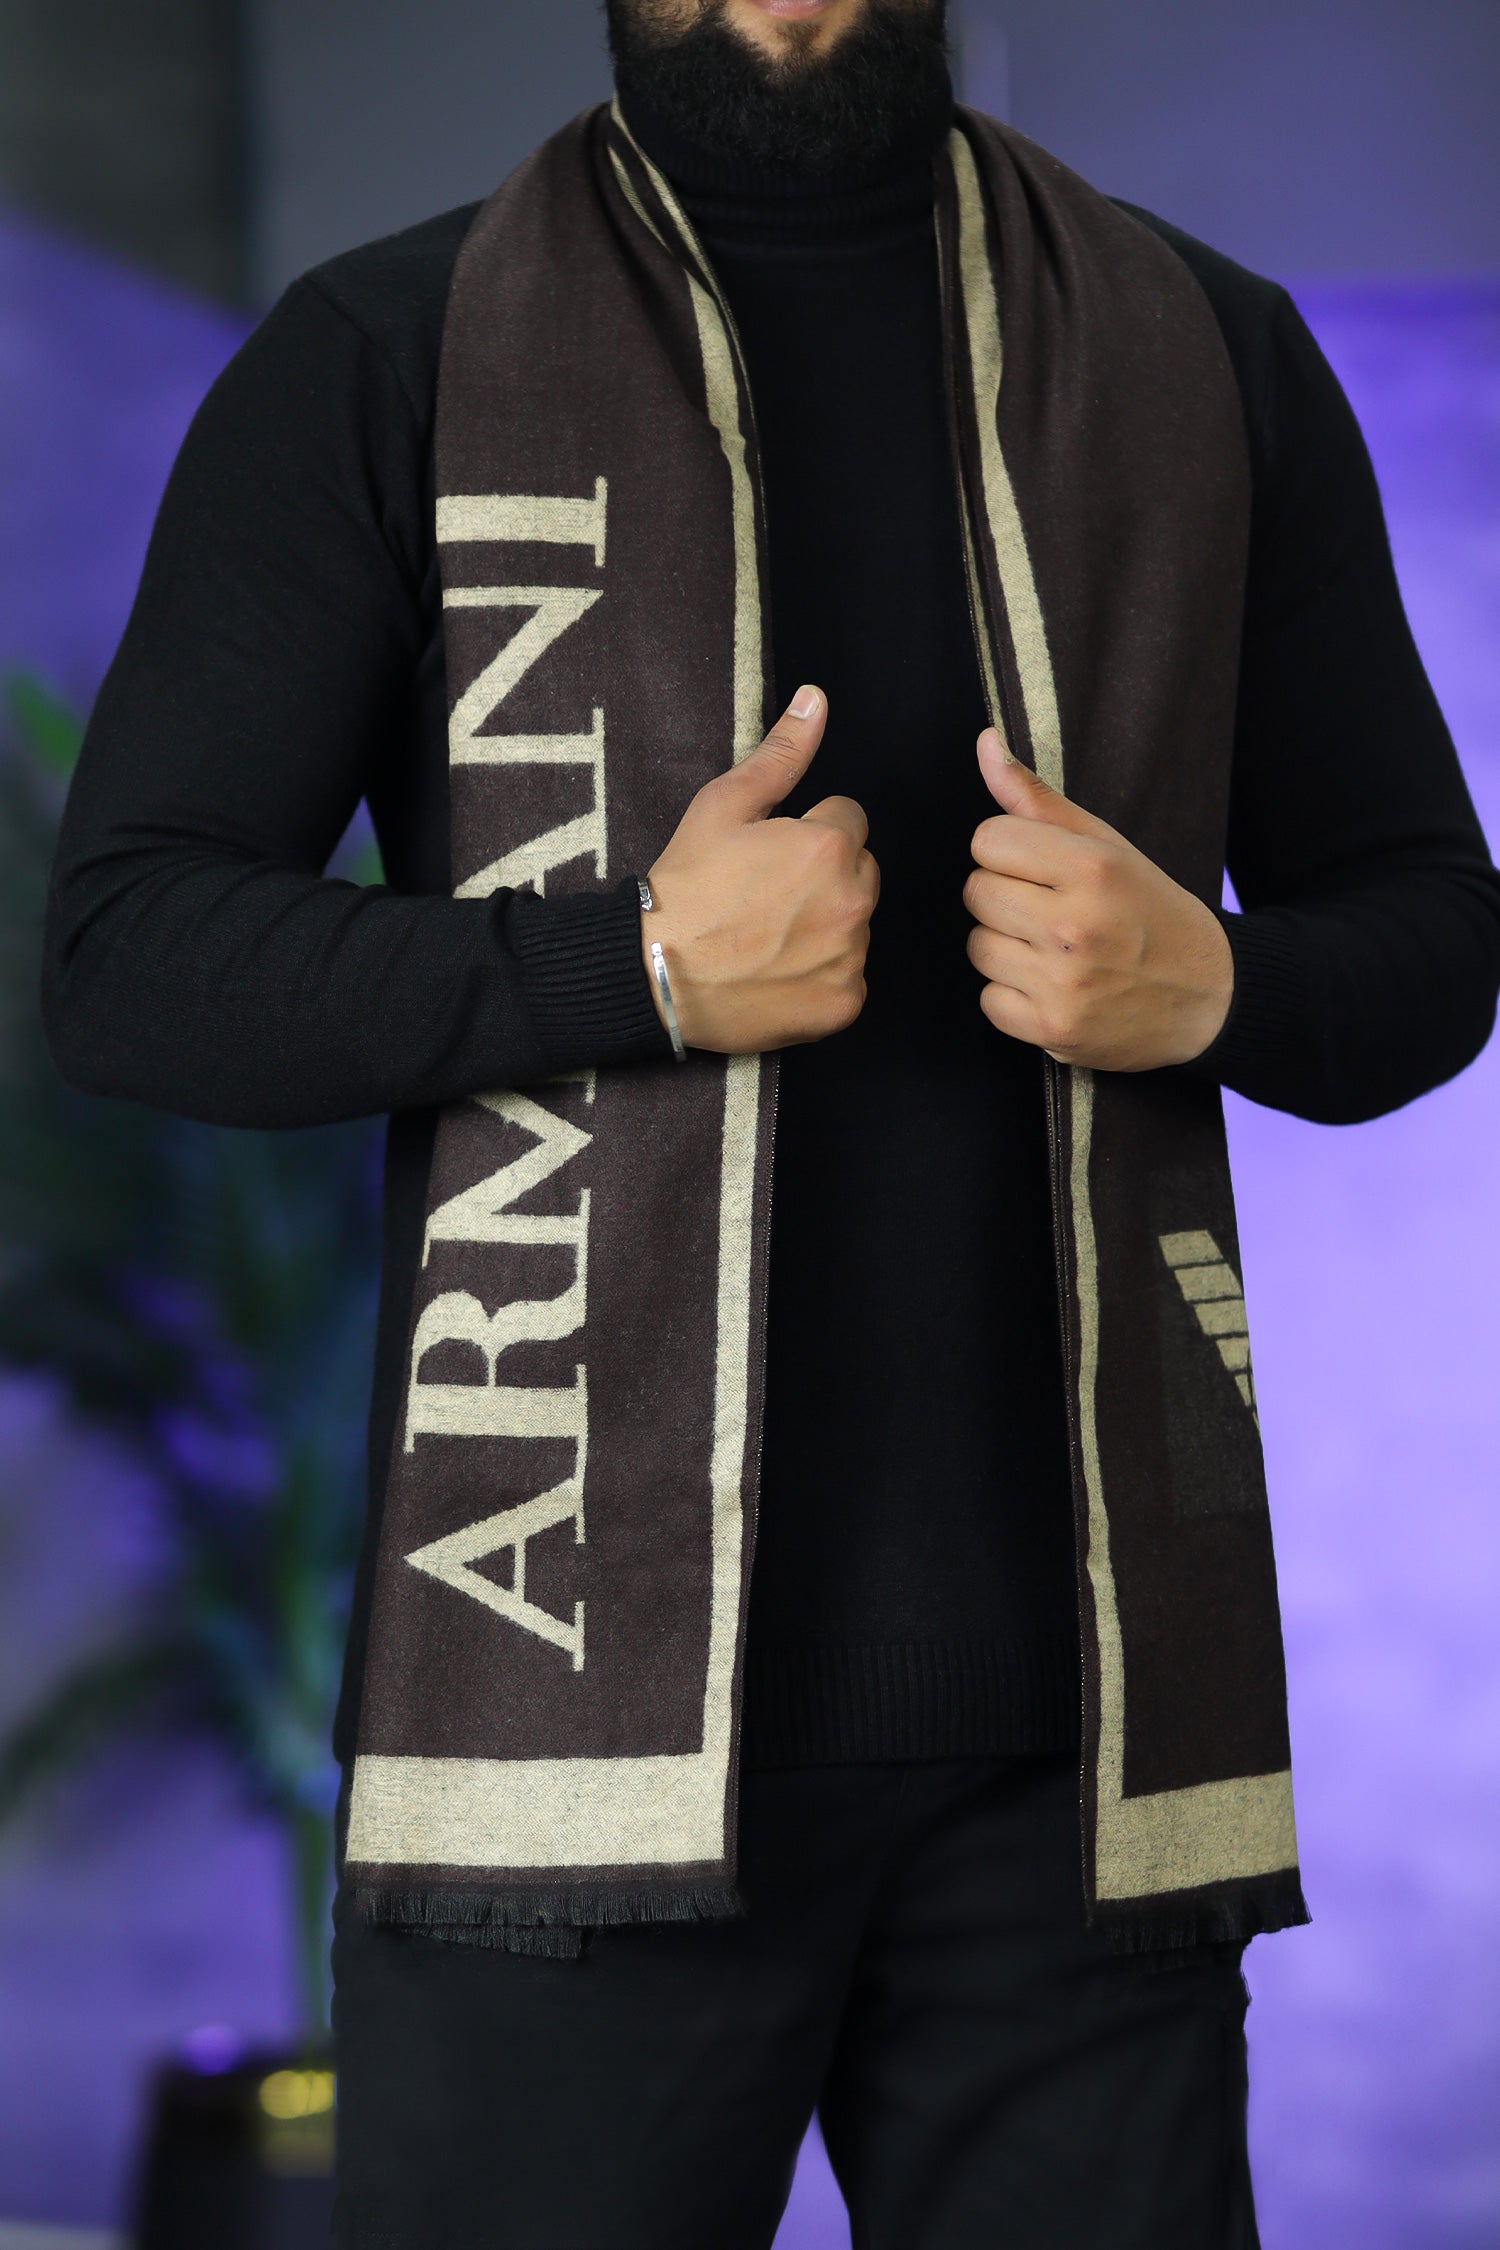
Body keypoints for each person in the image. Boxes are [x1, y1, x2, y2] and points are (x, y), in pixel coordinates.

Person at [42, 1, 1500, 2244]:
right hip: (556, 1732)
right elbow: (130, 957)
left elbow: (1430, 935)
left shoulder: (1212, 354)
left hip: (1086, 1757)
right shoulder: (389, 351)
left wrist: (1215, 983)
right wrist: (622, 965)